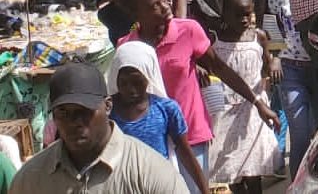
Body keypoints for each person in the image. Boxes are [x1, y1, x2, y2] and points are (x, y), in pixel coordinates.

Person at [118, 0, 279, 193]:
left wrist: (257, 102)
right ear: (136, 14)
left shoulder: (188, 30)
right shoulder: (128, 47)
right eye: (154, 5)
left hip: (191, 131)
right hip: (153, 137)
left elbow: (219, 68)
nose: (165, 5)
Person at [10, 63, 191, 194]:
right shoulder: (30, 179)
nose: (74, 121)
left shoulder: (150, 173)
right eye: (63, 112)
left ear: (107, 106)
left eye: (84, 111)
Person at [247, 0, 312, 179]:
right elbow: (272, 24)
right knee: (299, 132)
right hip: (291, 69)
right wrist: (273, 55)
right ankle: (296, 183)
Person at [107, 42, 209, 194]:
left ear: (148, 76)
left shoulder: (166, 109)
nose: (130, 89)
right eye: (124, 82)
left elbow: (184, 150)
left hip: (157, 184)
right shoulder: (107, 111)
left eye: (137, 82)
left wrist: (204, 190)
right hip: (120, 184)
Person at [209, 0, 280, 194]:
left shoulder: (258, 37)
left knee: (253, 166)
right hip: (226, 112)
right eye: (238, 15)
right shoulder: (215, 39)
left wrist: (272, 70)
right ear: (225, 15)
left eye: (247, 14)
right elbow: (209, 66)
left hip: (254, 110)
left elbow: (267, 65)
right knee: (231, 165)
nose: (244, 20)